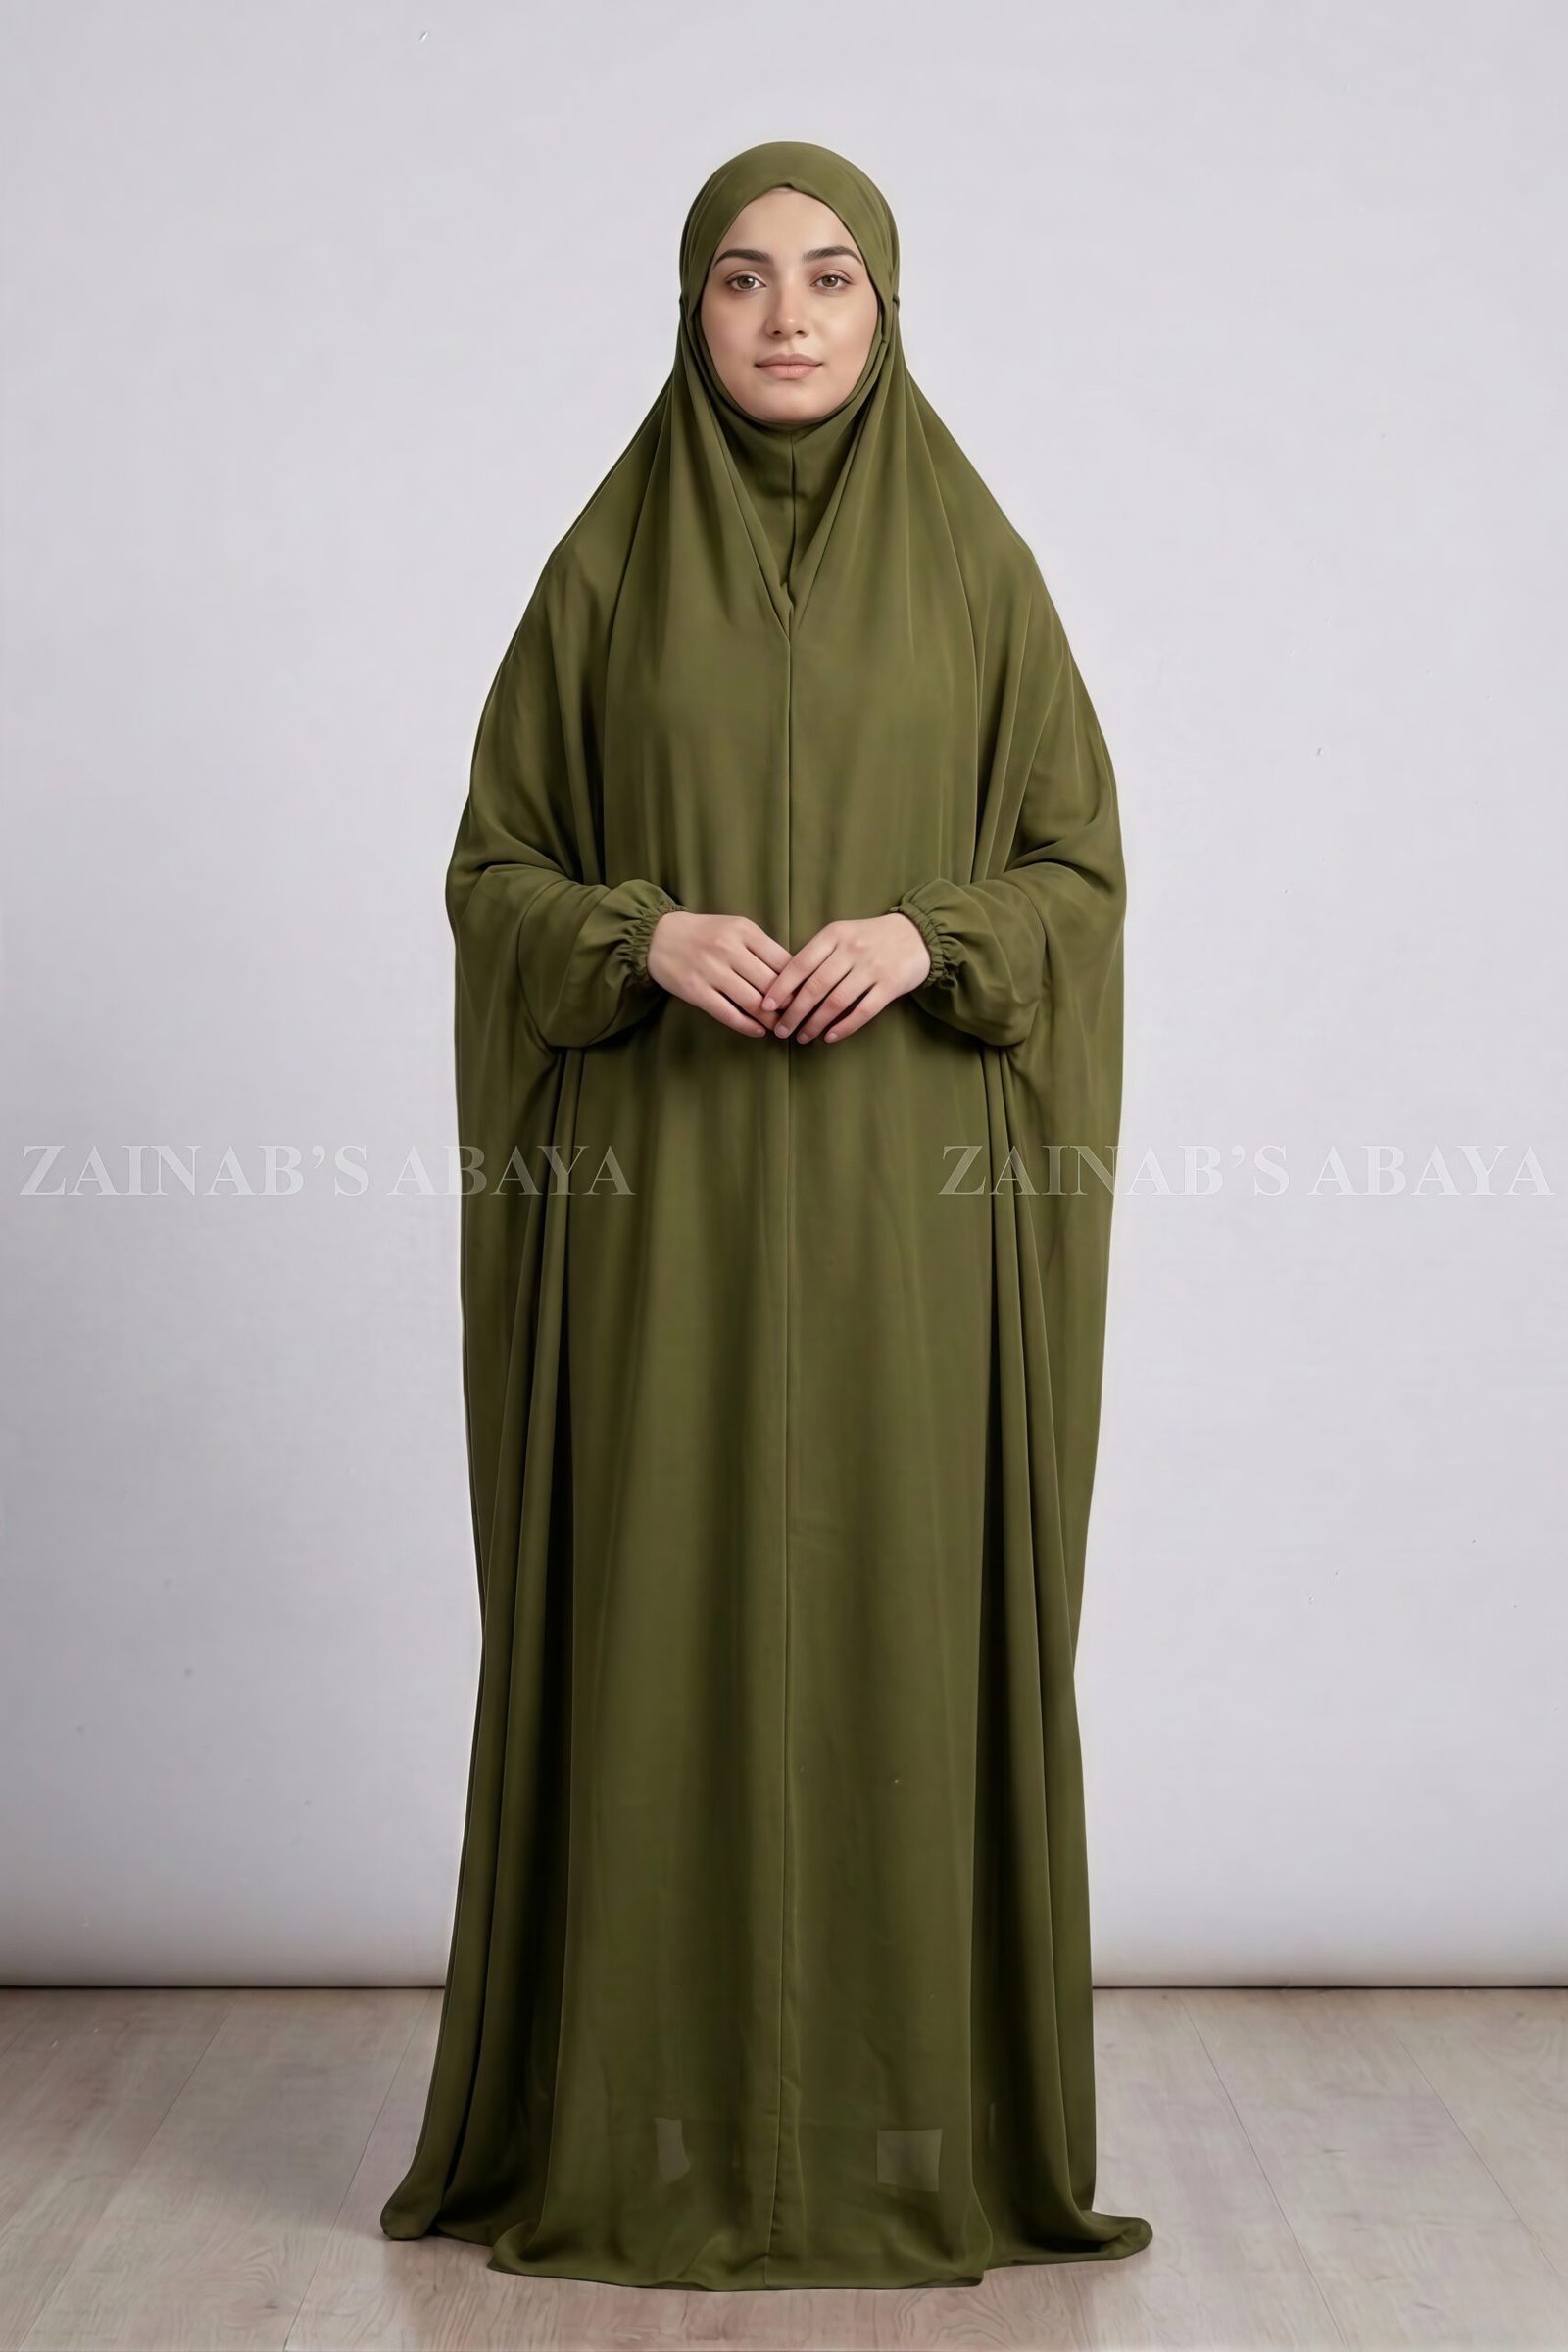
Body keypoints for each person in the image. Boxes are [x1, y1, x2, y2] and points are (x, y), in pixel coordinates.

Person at [379, 137, 1152, 2290]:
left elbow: (1078, 874)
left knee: (895, 1630)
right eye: (741, 277)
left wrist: (928, 936)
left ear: (887, 308)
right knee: (664, 1626)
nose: (786, 315)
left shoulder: (978, 571)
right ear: (689, 308)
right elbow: (492, 870)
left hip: (910, 1225)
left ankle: (913, 2144)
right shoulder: (603, 572)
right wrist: (638, 934)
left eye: (828, 276)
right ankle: (635, 2135)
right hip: (666, 1217)